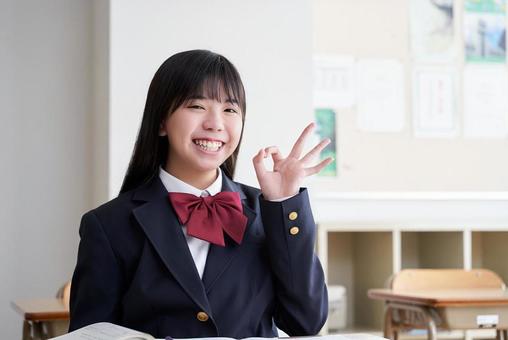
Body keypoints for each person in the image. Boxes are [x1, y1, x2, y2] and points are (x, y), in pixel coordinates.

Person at [69, 49, 332, 338]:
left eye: (230, 110)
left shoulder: (267, 211)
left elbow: (305, 322)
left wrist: (283, 203)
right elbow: (90, 334)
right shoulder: (108, 224)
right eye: (196, 106)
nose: (215, 123)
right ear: (161, 122)